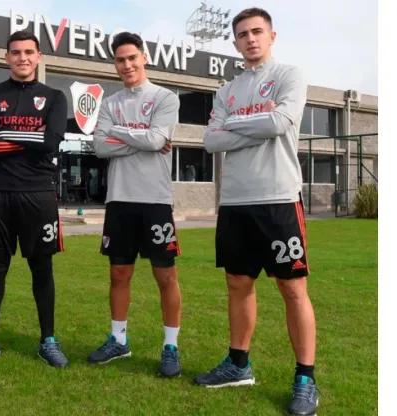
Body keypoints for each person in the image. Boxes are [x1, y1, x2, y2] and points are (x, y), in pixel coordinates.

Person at [196, 7, 318, 416]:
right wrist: (246, 125)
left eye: (257, 32)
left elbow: (280, 123)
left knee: (292, 288)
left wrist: (235, 128)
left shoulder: (289, 76)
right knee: (237, 285)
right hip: (235, 201)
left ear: (271, 36)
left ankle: (304, 379)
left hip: (279, 198)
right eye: (243, 34)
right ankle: (238, 365)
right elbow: (211, 141)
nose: (250, 39)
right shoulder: (226, 91)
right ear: (235, 43)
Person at [0, 31, 69, 368]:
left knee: (42, 268)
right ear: (5, 57)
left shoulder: (54, 97)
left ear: (38, 57)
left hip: (38, 194)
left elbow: (52, 142)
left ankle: (48, 340)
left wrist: (7, 137)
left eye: (28, 52)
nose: (22, 58)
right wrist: (31, 140)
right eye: (15, 52)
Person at [88, 32, 183, 377]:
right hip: (119, 200)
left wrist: (123, 134)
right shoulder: (111, 103)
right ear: (114, 64)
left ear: (144, 57)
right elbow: (99, 147)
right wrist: (142, 140)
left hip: (156, 201)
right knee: (118, 273)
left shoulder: (165, 97)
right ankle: (118, 340)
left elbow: (158, 138)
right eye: (119, 60)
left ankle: (170, 347)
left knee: (166, 276)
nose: (126, 65)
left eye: (132, 58)